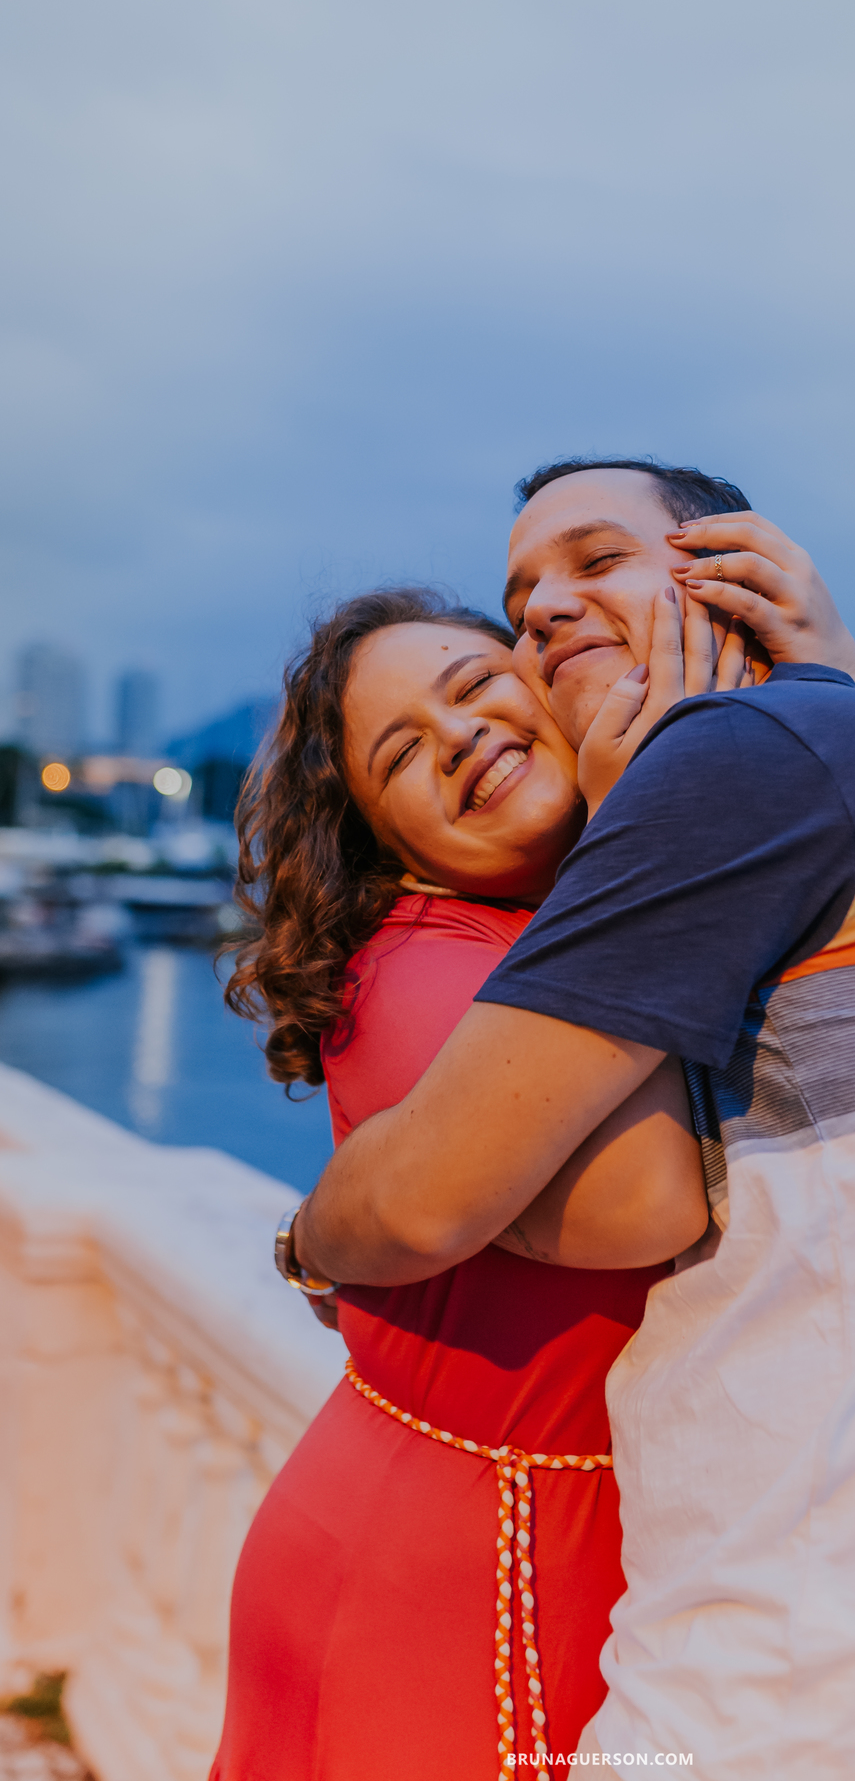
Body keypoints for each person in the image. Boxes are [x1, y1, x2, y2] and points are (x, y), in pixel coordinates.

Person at [294, 461, 855, 1779]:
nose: (545, 610)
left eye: (597, 560)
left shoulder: (721, 770)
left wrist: (308, 1233)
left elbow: (432, 1201)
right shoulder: (851, 750)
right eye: (523, 598)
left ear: (732, 565)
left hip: (783, 1680)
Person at [210, 590, 713, 1781]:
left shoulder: (535, 930)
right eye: (400, 753)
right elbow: (648, 1199)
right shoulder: (422, 971)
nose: (458, 733)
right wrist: (653, 819)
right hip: (462, 1581)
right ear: (392, 848)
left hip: (516, 1549)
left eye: (475, 683)